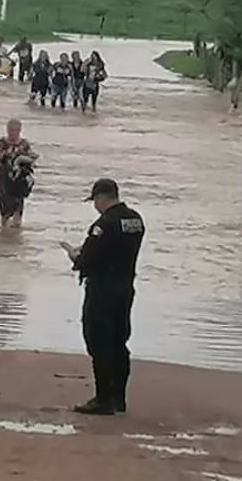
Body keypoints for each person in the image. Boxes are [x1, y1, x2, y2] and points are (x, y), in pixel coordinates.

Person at [61, 178, 145, 416]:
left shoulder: (103, 224)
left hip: (102, 289)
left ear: (101, 198)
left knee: (99, 342)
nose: (94, 206)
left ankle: (103, 399)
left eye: (94, 201)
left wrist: (74, 256)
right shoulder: (135, 220)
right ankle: (118, 398)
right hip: (125, 287)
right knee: (119, 342)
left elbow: (87, 260)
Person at [0, 119, 38, 228]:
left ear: (20, 130)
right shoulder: (0, 143)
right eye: (11, 130)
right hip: (3, 180)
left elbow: (31, 158)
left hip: (19, 180)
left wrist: (29, 156)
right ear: (7, 130)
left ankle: (16, 233)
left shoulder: (24, 144)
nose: (13, 133)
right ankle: (4, 232)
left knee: (18, 209)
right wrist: (6, 154)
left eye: (15, 130)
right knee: (5, 210)